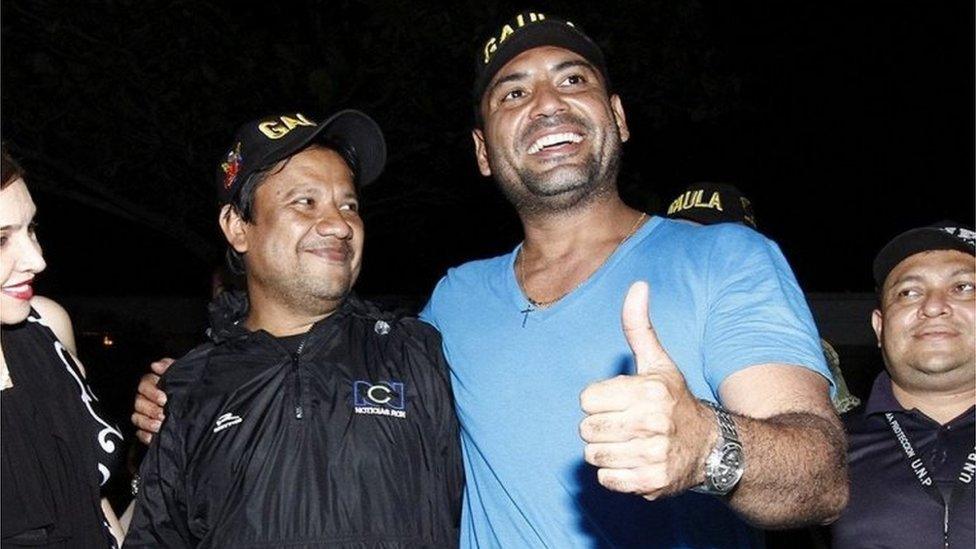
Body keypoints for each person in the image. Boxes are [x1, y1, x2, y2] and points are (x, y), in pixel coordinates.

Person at [134, 12, 847, 547]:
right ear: (482, 151)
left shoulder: (724, 258)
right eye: (512, 93)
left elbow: (824, 478)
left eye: (573, 79)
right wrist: (202, 384)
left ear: (618, 116)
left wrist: (708, 446)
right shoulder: (453, 302)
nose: (546, 103)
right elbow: (323, 383)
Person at [123, 111, 463, 547]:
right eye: (305, 202)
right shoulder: (190, 388)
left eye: (349, 205)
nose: (340, 224)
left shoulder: (417, 354)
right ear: (237, 227)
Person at [1, 145, 125, 547]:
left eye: (31, 228)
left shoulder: (47, 325)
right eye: (1, 239)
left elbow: (93, 504)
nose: (36, 260)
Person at [830, 222, 974, 548]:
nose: (934, 306)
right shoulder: (822, 447)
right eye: (909, 292)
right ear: (880, 328)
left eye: (964, 287)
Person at [667, 181, 861, 414]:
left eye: (720, 241)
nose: (699, 255)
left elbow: (833, 434)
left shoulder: (802, 349)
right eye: (679, 239)